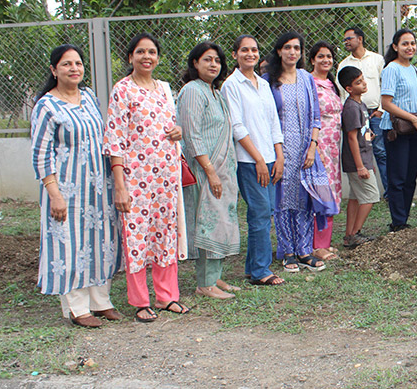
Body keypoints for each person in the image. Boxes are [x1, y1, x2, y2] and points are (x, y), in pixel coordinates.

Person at [31, 44, 121, 328]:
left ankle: (101, 302)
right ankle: (77, 308)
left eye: (78, 63)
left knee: (100, 241)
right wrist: (54, 194)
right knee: (69, 244)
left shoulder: (90, 96)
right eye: (67, 64)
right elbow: (41, 154)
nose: (74, 69)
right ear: (54, 69)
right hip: (67, 190)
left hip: (98, 186)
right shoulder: (46, 106)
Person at [104, 33, 189, 322]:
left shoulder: (163, 89)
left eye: (152, 52)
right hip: (135, 179)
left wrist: (178, 131)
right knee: (137, 237)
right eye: (140, 52)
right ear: (131, 57)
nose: (146, 57)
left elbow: (171, 126)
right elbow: (115, 139)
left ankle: (167, 296)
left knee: (165, 233)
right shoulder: (122, 90)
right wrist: (120, 185)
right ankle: (141, 301)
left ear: (158, 58)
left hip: (166, 177)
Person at [177, 42, 241, 300]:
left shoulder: (215, 92)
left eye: (217, 60)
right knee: (208, 223)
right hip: (205, 170)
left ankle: (215, 277)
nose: (213, 64)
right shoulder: (193, 91)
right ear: (195, 63)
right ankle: (205, 283)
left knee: (222, 221)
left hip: (223, 170)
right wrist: (210, 171)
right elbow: (191, 135)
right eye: (207, 59)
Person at [221, 35, 286, 287]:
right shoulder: (231, 85)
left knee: (266, 212)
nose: (250, 54)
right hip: (248, 161)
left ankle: (252, 267)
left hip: (270, 158)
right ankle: (261, 271)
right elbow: (237, 127)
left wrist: (279, 156)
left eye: (254, 50)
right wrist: (258, 159)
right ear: (235, 54)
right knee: (259, 213)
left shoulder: (263, 84)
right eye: (244, 50)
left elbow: (273, 122)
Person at [264, 31, 330, 273]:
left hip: (305, 151)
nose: (292, 52)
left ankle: (304, 250)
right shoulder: (268, 80)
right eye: (287, 47)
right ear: (279, 51)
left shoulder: (305, 78)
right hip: (280, 150)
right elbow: (267, 118)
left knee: (304, 200)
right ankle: (288, 251)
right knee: (283, 201)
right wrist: (277, 153)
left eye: (296, 48)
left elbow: (315, 115)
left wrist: (312, 146)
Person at [380, 28, 417, 232]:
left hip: (415, 129)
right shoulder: (392, 68)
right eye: (405, 43)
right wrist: (412, 119)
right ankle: (398, 222)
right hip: (397, 130)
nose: (410, 47)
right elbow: (386, 103)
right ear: (395, 46)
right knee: (397, 178)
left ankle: (404, 219)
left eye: (412, 43)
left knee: (410, 177)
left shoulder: (414, 70)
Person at [338, 26, 387, 199]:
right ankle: (363, 185)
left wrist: (381, 110)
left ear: (360, 39)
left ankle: (388, 193)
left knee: (380, 151)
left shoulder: (377, 59)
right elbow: (342, 94)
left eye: (349, 38)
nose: (346, 42)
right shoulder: (344, 64)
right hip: (354, 116)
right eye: (344, 40)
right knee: (358, 146)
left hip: (374, 114)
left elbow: (385, 84)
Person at [338, 66, 381, 248]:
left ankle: (349, 235)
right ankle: (355, 233)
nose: (363, 83)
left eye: (363, 79)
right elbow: (351, 137)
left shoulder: (361, 105)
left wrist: (369, 136)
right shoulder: (351, 107)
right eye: (358, 82)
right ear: (349, 88)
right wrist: (360, 166)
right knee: (371, 196)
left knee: (355, 197)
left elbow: (362, 133)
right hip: (358, 161)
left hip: (364, 157)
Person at [309, 41, 343, 262]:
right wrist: (315, 147)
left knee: (332, 192)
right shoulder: (308, 83)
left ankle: (325, 242)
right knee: (320, 194)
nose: (325, 60)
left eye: (329, 56)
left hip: (334, 148)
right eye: (321, 56)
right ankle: (316, 246)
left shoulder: (331, 84)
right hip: (318, 146)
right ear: (312, 59)